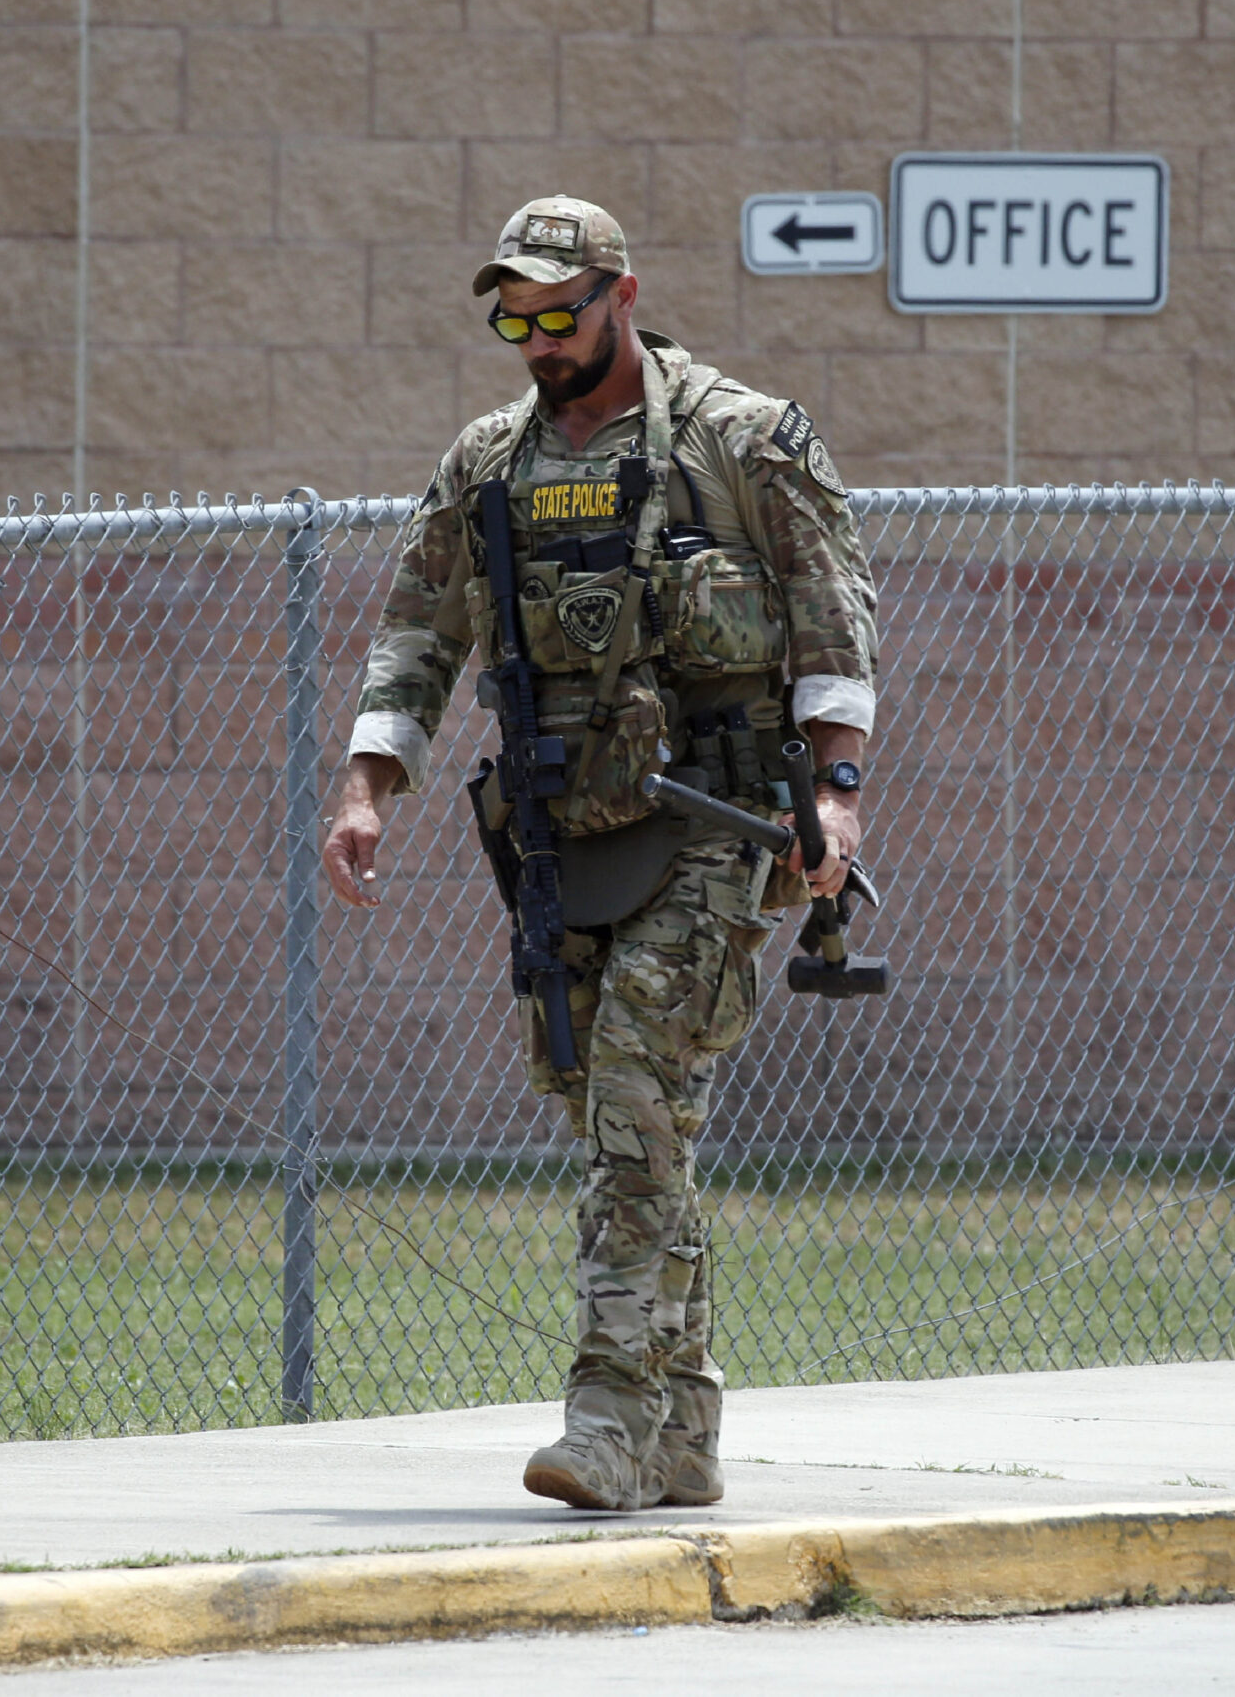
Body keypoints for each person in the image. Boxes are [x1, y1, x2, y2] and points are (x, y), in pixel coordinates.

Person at [320, 197, 881, 1512]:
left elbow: (834, 625)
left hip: (709, 832)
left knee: (634, 1092)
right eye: (512, 313)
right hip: (562, 844)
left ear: (621, 294)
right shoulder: (490, 464)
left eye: (557, 309)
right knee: (628, 1134)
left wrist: (838, 802)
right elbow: (417, 633)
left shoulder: (743, 442)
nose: (534, 336)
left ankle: (611, 1427)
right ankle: (684, 1433)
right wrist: (366, 787)